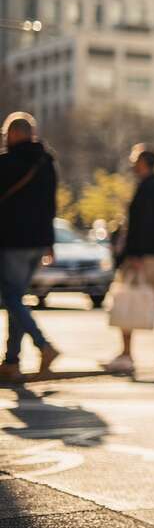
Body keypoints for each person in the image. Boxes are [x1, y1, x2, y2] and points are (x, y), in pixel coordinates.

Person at [104, 144, 154, 373]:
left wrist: (134, 254)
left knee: (126, 298)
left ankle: (126, 354)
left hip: (143, 256)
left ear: (144, 162)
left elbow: (141, 225)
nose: (132, 164)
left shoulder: (145, 188)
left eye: (135, 160)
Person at [0, 113, 60, 381]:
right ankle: (11, 361)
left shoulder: (7, 163)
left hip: (12, 240)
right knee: (17, 300)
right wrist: (49, 242)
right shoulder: (47, 163)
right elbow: (51, 206)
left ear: (12, 134)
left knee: (11, 298)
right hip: (38, 242)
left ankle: (43, 345)